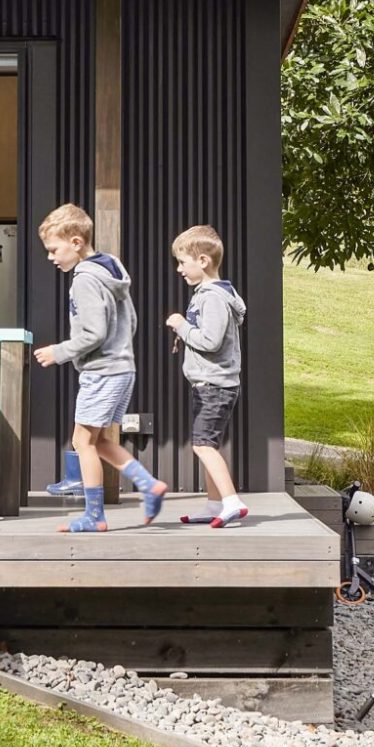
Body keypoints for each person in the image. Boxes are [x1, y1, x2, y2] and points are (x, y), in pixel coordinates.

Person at [33, 202, 165, 533]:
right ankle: (148, 485)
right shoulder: (111, 269)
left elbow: (94, 332)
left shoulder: (85, 280)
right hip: (122, 368)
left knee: (82, 442)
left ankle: (95, 515)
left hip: (102, 372)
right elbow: (130, 320)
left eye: (53, 250)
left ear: (76, 242)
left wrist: (59, 351)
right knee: (102, 441)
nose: (50, 257)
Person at [166, 225, 249, 527]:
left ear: (202, 260)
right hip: (209, 384)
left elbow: (211, 341)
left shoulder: (212, 297)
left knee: (203, 445)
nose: (179, 269)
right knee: (205, 444)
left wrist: (181, 326)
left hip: (214, 385)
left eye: (182, 262)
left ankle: (231, 502)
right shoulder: (213, 294)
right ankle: (215, 504)